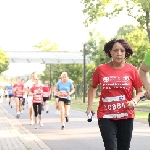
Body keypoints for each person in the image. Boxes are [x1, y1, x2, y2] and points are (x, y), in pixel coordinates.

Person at [87, 38, 145, 150]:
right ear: (110, 52)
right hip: (106, 115)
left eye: (122, 51)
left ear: (126, 53)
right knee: (111, 147)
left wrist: (134, 101)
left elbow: (140, 91)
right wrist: (90, 106)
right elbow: (92, 87)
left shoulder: (132, 70)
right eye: (115, 50)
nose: (119, 53)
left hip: (126, 115)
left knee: (123, 147)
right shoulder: (101, 69)